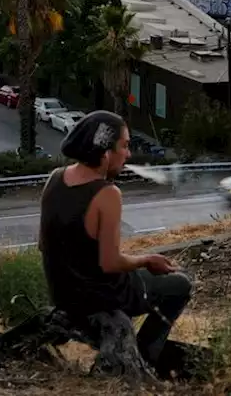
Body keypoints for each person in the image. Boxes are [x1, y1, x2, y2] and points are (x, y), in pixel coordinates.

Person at [39, 111, 192, 367]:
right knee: (180, 285)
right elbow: (110, 263)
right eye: (125, 145)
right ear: (105, 152)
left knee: (142, 280)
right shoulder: (108, 193)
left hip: (61, 294)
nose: (129, 154)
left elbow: (43, 244)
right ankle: (145, 357)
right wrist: (147, 260)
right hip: (97, 296)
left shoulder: (55, 178)